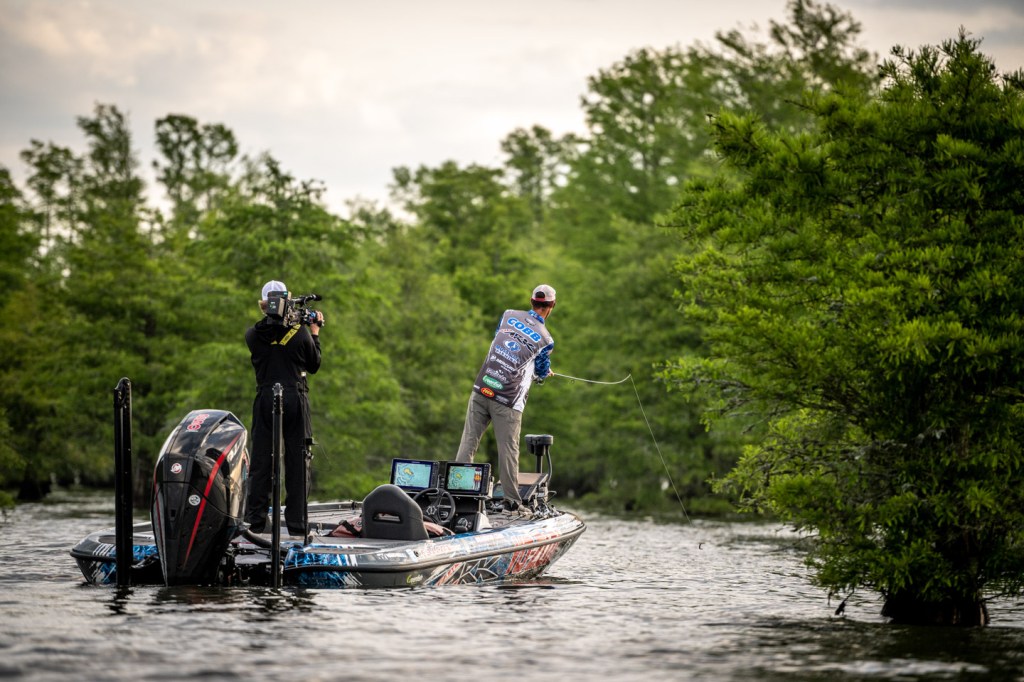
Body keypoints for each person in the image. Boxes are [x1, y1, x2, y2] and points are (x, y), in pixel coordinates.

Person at [455, 284, 556, 513]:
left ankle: (458, 495)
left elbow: (502, 342)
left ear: (531, 301)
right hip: (508, 400)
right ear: (551, 306)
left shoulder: (508, 315)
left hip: (482, 388)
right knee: (508, 450)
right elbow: (541, 371)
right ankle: (512, 503)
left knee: (468, 442)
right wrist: (543, 373)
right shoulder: (546, 340)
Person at [244, 280, 324, 537]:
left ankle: (255, 522)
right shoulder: (300, 333)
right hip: (294, 396)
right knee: (298, 459)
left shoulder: (252, 334)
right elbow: (314, 364)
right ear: (287, 302)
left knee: (261, 460)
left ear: (264, 305)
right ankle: (297, 525)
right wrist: (314, 332)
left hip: (265, 397)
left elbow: (272, 342)